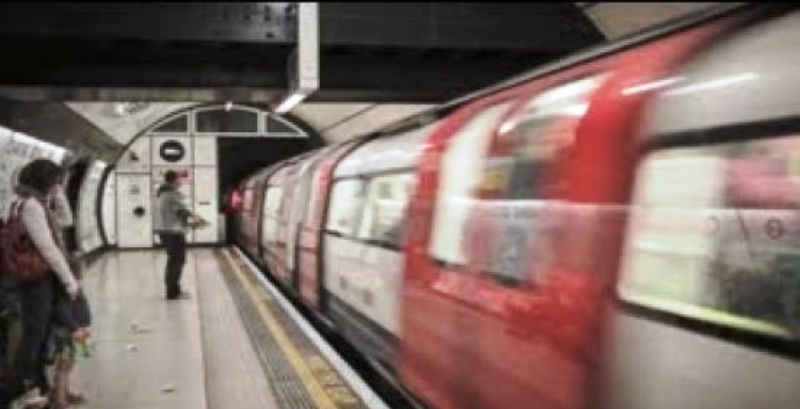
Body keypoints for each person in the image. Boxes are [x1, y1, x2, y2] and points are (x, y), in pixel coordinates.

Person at [7, 159, 80, 409]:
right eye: (55, 181)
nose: (57, 184)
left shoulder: (32, 202)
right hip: (36, 278)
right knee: (34, 336)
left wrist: (60, 196)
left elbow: (66, 220)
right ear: (44, 180)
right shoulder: (31, 206)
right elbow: (47, 247)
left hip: (37, 277)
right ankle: (17, 391)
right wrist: (70, 282)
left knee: (41, 334)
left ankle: (37, 385)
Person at [154, 170, 204, 301]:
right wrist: (198, 219)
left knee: (173, 261)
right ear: (174, 180)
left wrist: (190, 225)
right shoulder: (171, 194)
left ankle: (174, 291)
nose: (181, 181)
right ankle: (173, 293)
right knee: (177, 262)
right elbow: (182, 212)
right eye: (179, 179)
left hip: (167, 231)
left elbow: (173, 215)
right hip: (173, 233)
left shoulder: (162, 194)